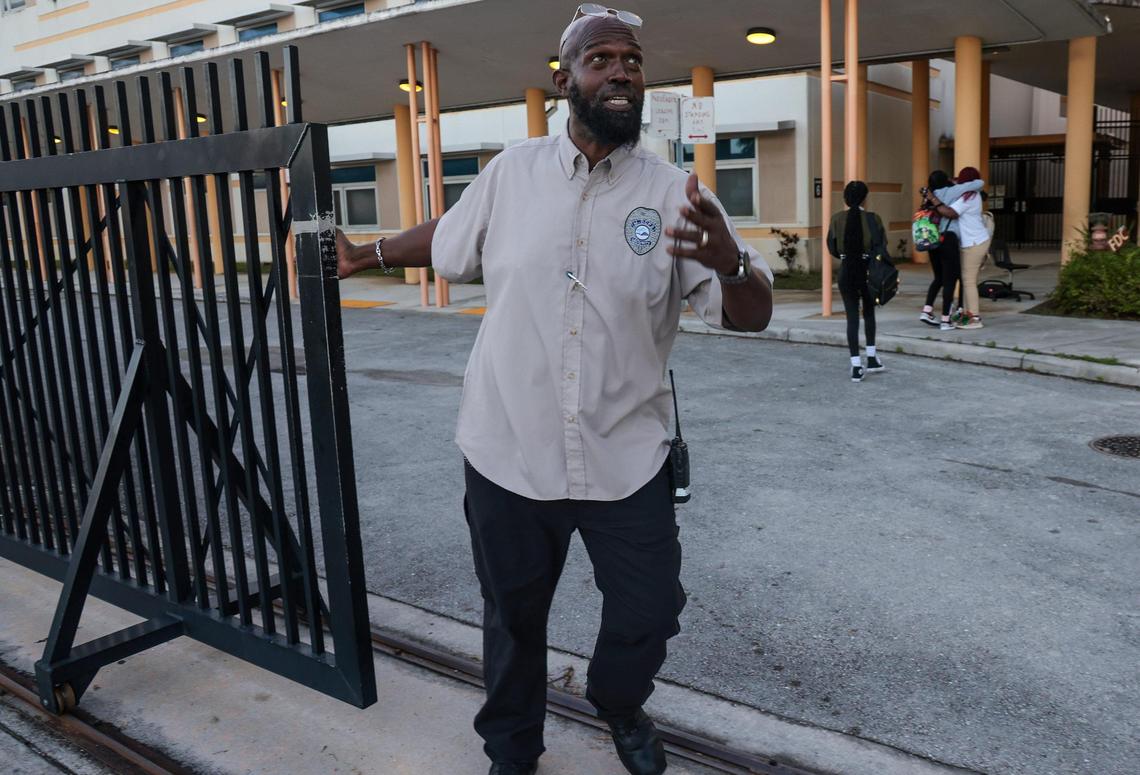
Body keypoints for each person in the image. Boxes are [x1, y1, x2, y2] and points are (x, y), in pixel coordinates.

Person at [335, 6, 774, 775]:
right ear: (565, 75)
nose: (620, 72)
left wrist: (734, 261)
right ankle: (512, 749)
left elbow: (750, 317)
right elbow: (448, 237)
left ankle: (617, 697)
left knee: (650, 609)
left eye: (631, 61)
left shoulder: (678, 195)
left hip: (626, 452)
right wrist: (363, 251)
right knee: (513, 616)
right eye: (600, 58)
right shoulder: (511, 171)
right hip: (508, 446)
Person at [826, 181, 886, 382]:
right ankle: (871, 358)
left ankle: (855, 366)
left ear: (845, 198)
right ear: (865, 198)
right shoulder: (873, 219)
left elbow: (832, 247)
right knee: (869, 313)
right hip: (867, 270)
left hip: (846, 271)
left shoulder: (836, 219)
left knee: (852, 318)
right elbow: (882, 245)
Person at [919, 171, 985, 331]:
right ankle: (945, 320)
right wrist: (958, 183)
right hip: (949, 239)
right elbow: (979, 183)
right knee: (951, 279)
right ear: (946, 180)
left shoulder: (930, 194)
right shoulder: (952, 191)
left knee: (939, 278)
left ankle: (927, 310)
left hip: (933, 240)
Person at [947, 167, 991, 329]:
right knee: (967, 281)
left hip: (974, 243)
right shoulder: (972, 195)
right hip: (976, 241)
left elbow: (951, 212)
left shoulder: (969, 197)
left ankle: (975, 319)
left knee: (969, 281)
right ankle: (967, 315)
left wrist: (935, 202)